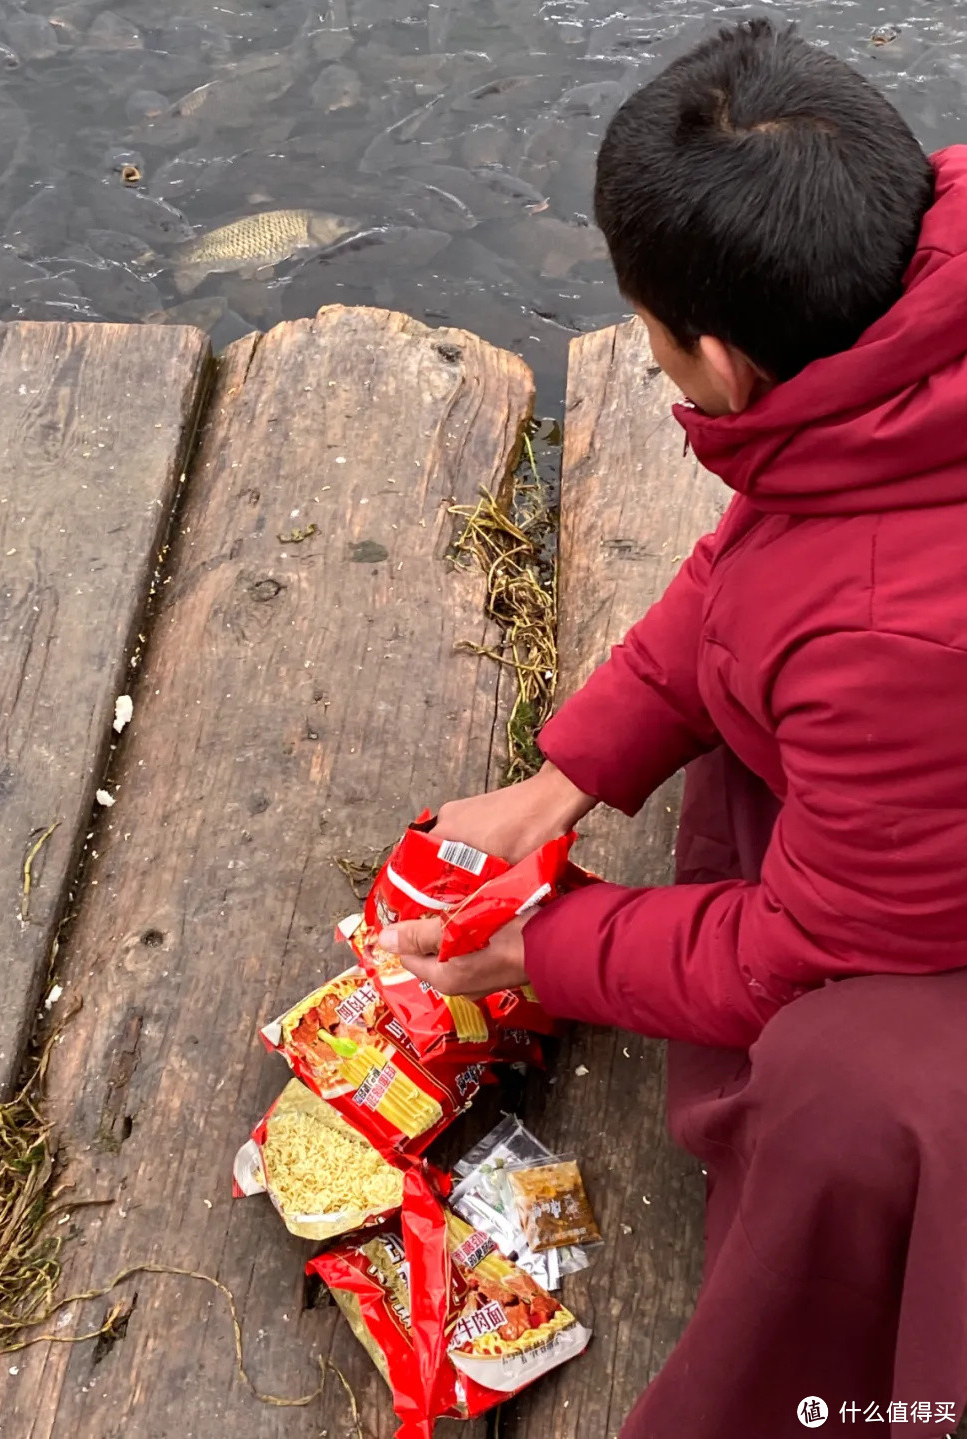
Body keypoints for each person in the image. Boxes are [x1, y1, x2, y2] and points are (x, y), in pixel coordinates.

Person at [377, 19, 967, 1439]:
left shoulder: (890, 631)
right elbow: (765, 566)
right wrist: (566, 779)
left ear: (714, 356)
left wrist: (544, 954)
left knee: (852, 1080)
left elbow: (800, 954)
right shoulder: (904, 356)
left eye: (649, 351)